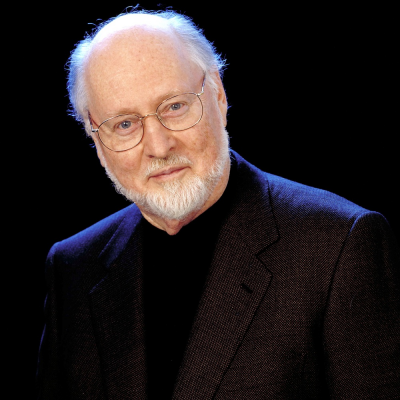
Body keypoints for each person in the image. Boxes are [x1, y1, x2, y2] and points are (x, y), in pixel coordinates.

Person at [37, 9, 400, 400]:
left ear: (219, 95)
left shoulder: (338, 247)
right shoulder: (73, 268)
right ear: (95, 139)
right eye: (124, 124)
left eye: (175, 106)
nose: (159, 146)